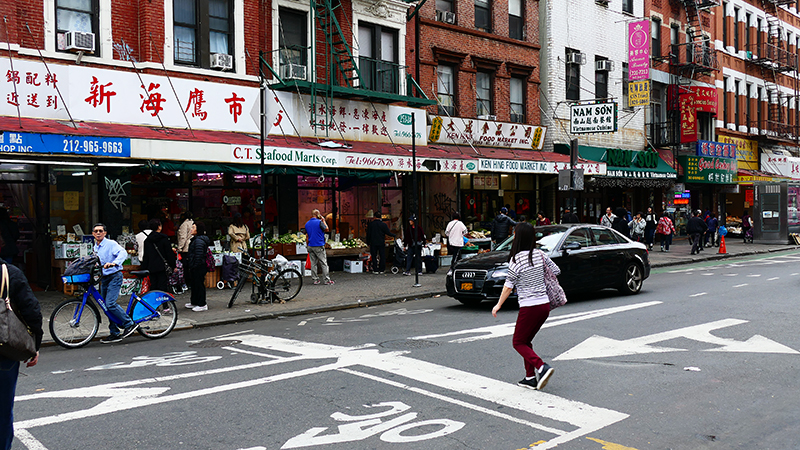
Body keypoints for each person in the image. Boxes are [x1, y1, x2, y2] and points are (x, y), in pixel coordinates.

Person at [491, 222, 558, 391]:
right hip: (544, 305)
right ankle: (530, 378)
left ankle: (542, 367)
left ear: (518, 238)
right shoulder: (540, 254)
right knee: (526, 341)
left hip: (529, 306)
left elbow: (508, 286)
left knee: (518, 342)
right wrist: (537, 275)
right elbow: (556, 270)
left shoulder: (516, 259)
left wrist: (498, 305)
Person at [0, 239, 42, 450]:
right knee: (2, 409)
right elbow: (31, 310)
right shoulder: (9, 273)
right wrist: (35, 342)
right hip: (3, 350)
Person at [92, 223, 139, 343]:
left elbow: (123, 253)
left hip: (114, 276)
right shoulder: (96, 247)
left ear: (105, 233)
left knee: (110, 303)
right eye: (96, 231)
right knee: (105, 306)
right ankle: (114, 332)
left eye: (100, 231)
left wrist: (115, 263)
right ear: (93, 234)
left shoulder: (110, 243)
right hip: (104, 277)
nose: (98, 233)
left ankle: (129, 324)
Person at [142, 218, 177, 293]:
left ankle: (153, 303)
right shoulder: (164, 239)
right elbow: (169, 254)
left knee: (153, 286)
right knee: (163, 286)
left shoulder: (147, 240)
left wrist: (144, 267)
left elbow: (146, 256)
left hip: (151, 267)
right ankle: (164, 303)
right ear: (159, 227)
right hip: (162, 267)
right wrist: (173, 265)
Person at [185, 221, 211, 312]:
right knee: (195, 284)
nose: (191, 229)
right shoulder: (196, 239)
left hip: (198, 266)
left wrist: (194, 265)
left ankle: (202, 304)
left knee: (199, 284)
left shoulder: (199, 241)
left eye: (193, 228)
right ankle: (194, 301)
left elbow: (199, 255)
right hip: (195, 266)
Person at [306, 209, 333, 285]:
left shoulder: (307, 224)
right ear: (318, 215)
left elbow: (307, 236)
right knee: (323, 263)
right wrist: (323, 220)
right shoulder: (319, 222)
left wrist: (307, 245)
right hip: (319, 245)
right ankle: (326, 280)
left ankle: (315, 279)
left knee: (313, 263)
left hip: (310, 245)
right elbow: (327, 229)